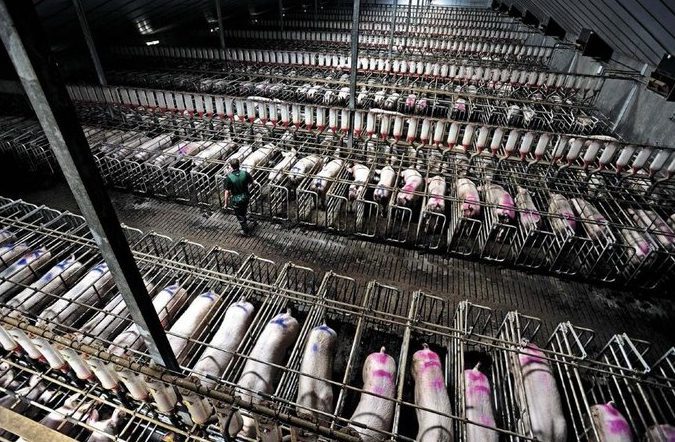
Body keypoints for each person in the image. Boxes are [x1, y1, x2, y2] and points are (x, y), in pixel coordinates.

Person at [223, 158, 257, 236]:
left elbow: (227, 192)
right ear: (239, 165)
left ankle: (246, 231)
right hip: (246, 196)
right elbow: (252, 182)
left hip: (236, 199)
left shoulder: (229, 177)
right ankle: (249, 218)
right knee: (244, 209)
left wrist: (226, 203)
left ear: (231, 167)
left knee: (240, 216)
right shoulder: (245, 173)